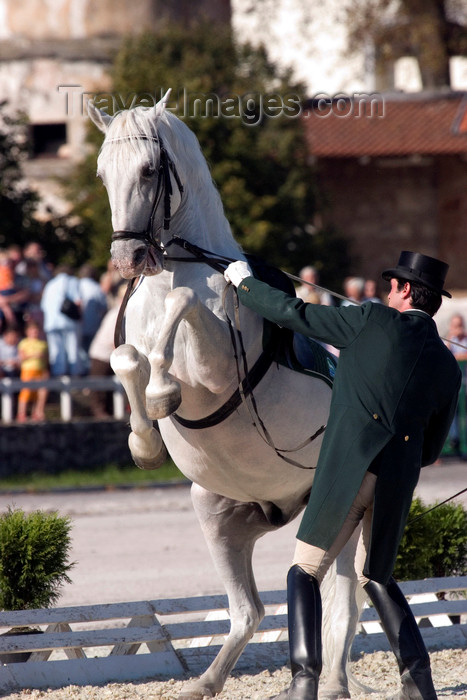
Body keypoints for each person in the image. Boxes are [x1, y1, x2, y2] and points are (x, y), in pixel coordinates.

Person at [224, 251, 461, 700]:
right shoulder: (447, 365)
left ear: (406, 290)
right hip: (396, 481)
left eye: (393, 285)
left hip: (350, 471)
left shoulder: (371, 320)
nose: (388, 290)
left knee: (304, 572)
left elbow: (295, 314)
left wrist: (245, 285)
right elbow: (431, 450)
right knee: (377, 578)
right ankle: (418, 682)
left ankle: (303, 681)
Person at [40, 265, 83, 377]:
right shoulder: (72, 281)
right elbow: (78, 301)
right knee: (72, 349)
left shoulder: (50, 284)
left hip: (51, 322)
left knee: (56, 350)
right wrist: (81, 318)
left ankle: (59, 374)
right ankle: (75, 375)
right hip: (68, 320)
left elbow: (43, 306)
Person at [16, 320, 49, 422]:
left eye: (36, 331)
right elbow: (22, 357)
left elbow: (46, 359)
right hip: (28, 370)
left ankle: (37, 412)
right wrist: (35, 355)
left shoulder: (43, 344)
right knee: (26, 392)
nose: (35, 333)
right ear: (27, 332)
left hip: (40, 370)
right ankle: (21, 413)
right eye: (32, 331)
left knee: (40, 393)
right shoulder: (24, 343)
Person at [444, 313, 467, 455]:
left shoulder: (465, 339)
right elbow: (446, 353)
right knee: (453, 412)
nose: (458, 328)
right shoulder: (450, 339)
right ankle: (454, 440)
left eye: (459, 325)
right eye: (455, 325)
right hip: (453, 384)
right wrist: (451, 337)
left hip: (465, 383)